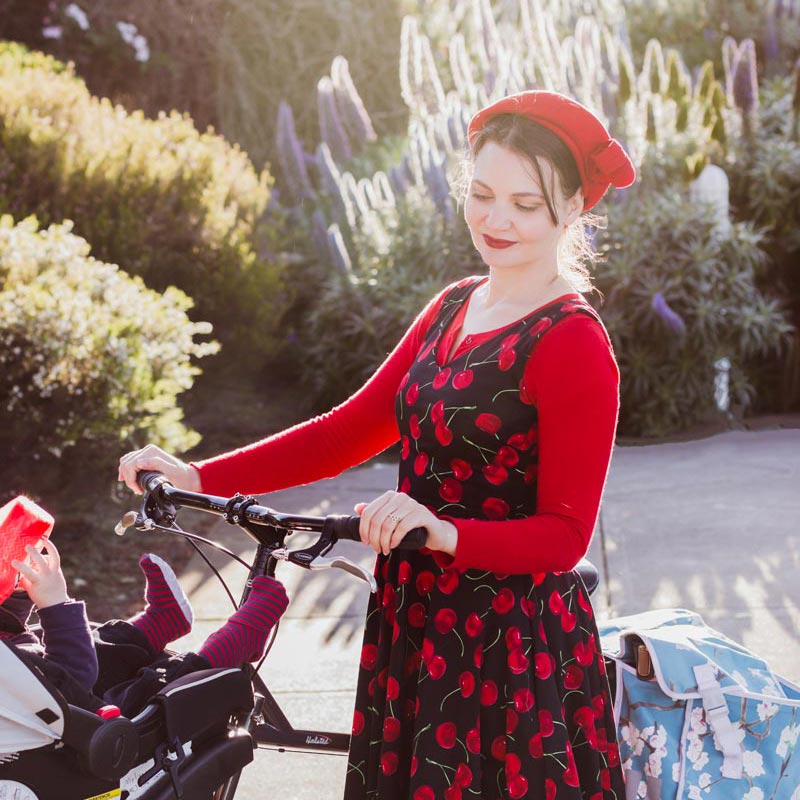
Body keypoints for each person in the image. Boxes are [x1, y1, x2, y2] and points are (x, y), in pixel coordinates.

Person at [119, 89, 635, 799]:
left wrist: (443, 531)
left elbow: (564, 537)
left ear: (573, 206)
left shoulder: (573, 343)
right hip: (416, 617)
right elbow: (346, 431)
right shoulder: (454, 305)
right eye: (482, 194)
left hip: (509, 652)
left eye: (526, 203)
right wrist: (199, 475)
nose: (496, 220)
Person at [1, 496, 288, 717]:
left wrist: (14, 588)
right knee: (151, 690)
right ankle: (234, 642)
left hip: (38, 691)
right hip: (74, 726)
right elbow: (71, 679)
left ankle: (157, 626)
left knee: (97, 642)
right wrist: (55, 603)